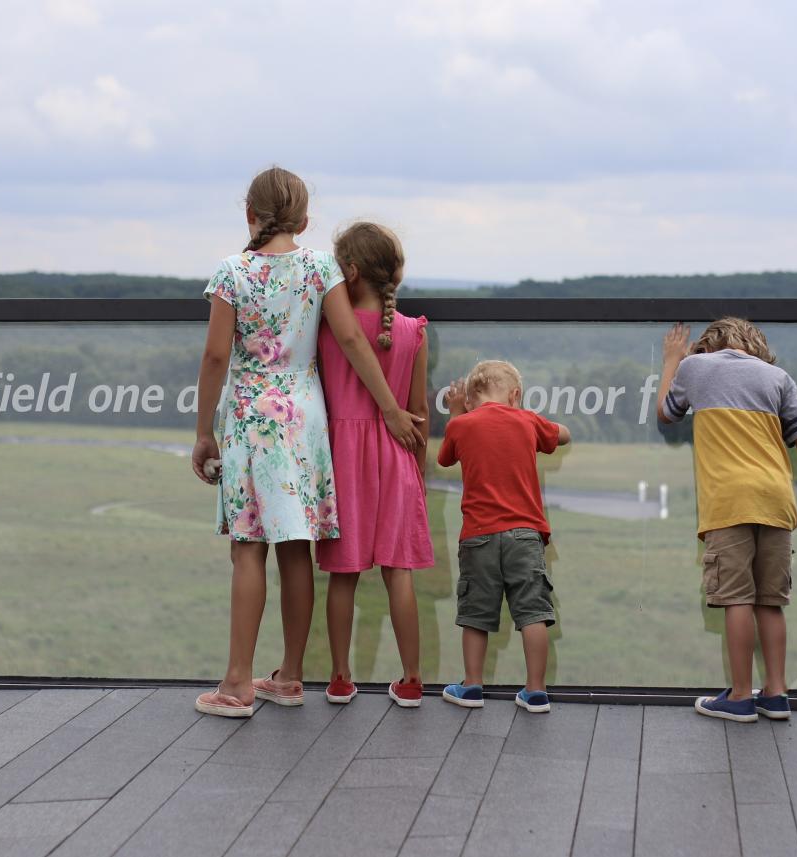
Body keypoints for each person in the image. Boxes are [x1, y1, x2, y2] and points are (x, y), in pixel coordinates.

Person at [191, 167, 425, 718]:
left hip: (251, 420)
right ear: (304, 220)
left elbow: (216, 357)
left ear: (249, 214)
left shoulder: (232, 273)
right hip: (305, 421)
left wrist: (204, 431)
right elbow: (348, 337)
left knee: (249, 548)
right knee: (297, 547)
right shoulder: (321, 267)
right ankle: (291, 676)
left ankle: (238, 683)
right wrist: (390, 410)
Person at [658, 318, 797, 722]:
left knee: (737, 599)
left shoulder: (696, 368)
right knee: (771, 601)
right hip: (776, 500)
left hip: (730, 500)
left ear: (710, 344)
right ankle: (777, 694)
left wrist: (673, 360)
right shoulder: (778, 377)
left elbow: (667, 413)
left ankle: (741, 696)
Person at [316, 222, 434, 708]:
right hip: (396, 459)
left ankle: (341, 679)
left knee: (343, 575)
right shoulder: (413, 333)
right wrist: (419, 475)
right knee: (398, 573)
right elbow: (418, 411)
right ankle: (410, 680)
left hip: (343, 462)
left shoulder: (328, 330)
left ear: (350, 271)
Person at [438, 360, 570, 713]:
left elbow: (446, 457)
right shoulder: (526, 419)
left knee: (475, 614)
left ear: (469, 400)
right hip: (525, 535)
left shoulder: (462, 425)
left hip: (478, 536)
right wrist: (525, 416)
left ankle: (472, 685)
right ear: (515, 395)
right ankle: (536, 690)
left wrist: (455, 413)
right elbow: (564, 434)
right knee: (532, 613)